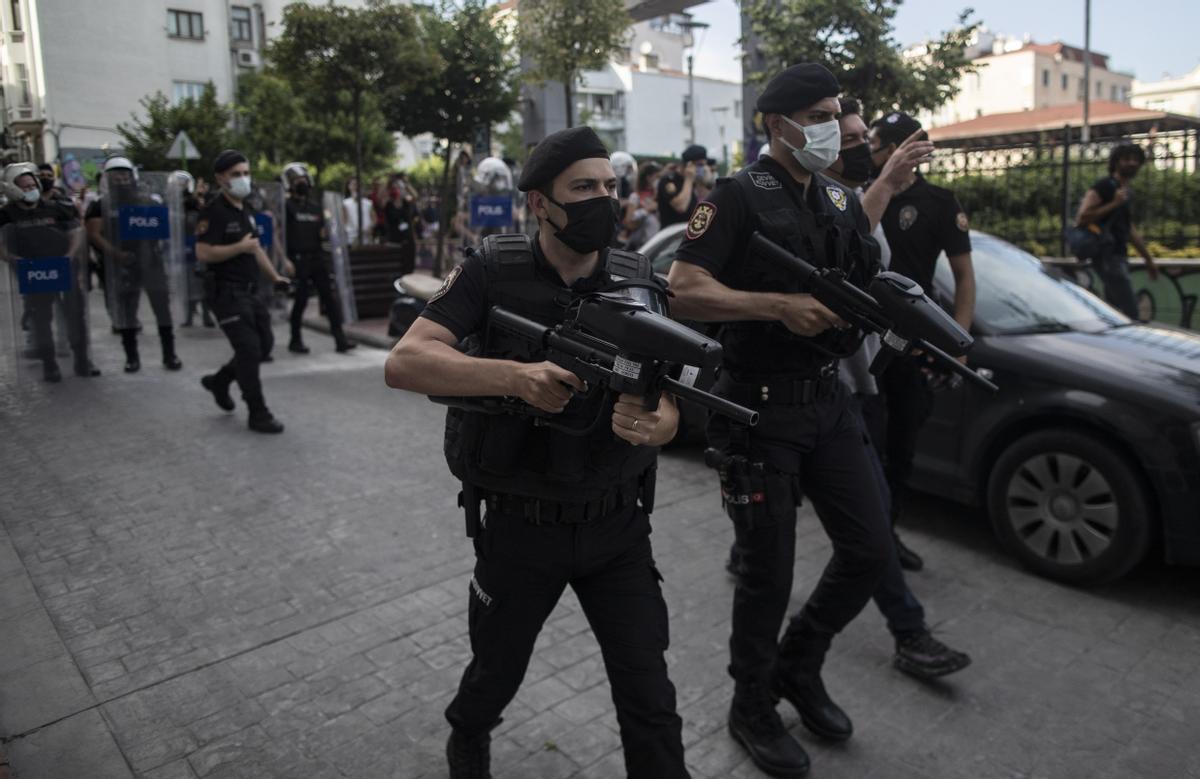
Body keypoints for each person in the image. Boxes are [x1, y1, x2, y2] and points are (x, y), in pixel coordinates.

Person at [384, 126, 689, 779]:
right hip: (522, 526)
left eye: (610, 187)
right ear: (539, 203)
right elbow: (407, 362)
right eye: (584, 188)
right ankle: (467, 734)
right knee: (495, 670)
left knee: (650, 695)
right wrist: (515, 376)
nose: (604, 200)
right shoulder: (491, 269)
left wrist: (659, 423)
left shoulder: (640, 279)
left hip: (618, 526)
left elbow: (677, 399)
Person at [667, 64, 905, 777]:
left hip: (828, 400)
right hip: (757, 409)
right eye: (823, 114)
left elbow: (864, 266)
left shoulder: (835, 194)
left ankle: (798, 663)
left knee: (870, 547)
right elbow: (683, 289)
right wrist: (775, 306)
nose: (835, 126)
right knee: (767, 573)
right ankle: (750, 704)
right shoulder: (734, 197)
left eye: (838, 112)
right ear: (779, 125)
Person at [824, 98, 971, 679]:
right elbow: (843, 244)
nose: (864, 146)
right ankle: (904, 630)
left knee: (871, 515)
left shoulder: (883, 199)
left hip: (861, 382)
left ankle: (903, 633)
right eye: (854, 138)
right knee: (838, 524)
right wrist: (886, 179)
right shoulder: (815, 201)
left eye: (868, 136)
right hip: (811, 389)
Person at [868, 111, 976, 572]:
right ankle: (869, 536)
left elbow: (964, 277)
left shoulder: (939, 202)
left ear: (898, 150)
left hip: (914, 344)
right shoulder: (865, 197)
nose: (867, 152)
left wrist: (958, 340)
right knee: (864, 443)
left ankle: (887, 533)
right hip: (866, 338)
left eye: (874, 143)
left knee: (902, 445)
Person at [196, 149, 292, 434]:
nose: (243, 179)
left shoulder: (246, 210)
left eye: (245, 173)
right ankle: (258, 412)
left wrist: (275, 277)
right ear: (220, 178)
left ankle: (220, 381)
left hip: (250, 292)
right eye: (236, 174)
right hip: (225, 293)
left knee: (263, 345)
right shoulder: (213, 212)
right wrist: (239, 247)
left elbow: (256, 249)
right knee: (249, 350)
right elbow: (202, 252)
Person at [0, 162, 99, 380]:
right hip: (33, 273)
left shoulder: (58, 207)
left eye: (32, 184)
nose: (31, 188)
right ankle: (50, 364)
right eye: (24, 186)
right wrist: (13, 259)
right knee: (41, 318)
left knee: (75, 315)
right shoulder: (6, 215)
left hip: (64, 268)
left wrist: (69, 256)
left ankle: (82, 360)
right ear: (12, 188)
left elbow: (76, 232)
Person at [85, 157, 182, 373]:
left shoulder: (148, 201)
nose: (121, 178)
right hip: (122, 266)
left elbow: (163, 228)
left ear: (132, 175)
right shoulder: (100, 204)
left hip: (152, 263)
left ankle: (170, 354)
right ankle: (131, 358)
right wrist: (116, 254)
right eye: (116, 174)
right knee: (128, 313)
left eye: (124, 173)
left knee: (163, 311)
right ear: (107, 178)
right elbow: (93, 234)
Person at [1072, 143, 1159, 318]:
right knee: (1131, 312)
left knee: (1112, 312)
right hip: (1107, 256)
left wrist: (1148, 259)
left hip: (1119, 255)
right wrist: (1113, 204)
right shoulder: (1104, 187)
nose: (1132, 163)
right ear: (1116, 162)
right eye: (1127, 159)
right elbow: (1082, 218)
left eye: (1136, 160)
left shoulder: (1125, 191)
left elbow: (1129, 229)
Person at [282, 162, 354, 355]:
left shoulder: (315, 207)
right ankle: (295, 339)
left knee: (330, 300)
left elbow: (324, 231)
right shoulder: (286, 207)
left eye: (303, 180)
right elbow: (279, 234)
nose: (301, 183)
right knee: (301, 300)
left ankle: (340, 340)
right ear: (289, 183)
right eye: (297, 181)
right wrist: (284, 260)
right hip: (298, 259)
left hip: (317, 256)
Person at [656, 144, 706, 228]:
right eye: (700, 165)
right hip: (672, 234)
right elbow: (681, 207)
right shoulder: (669, 180)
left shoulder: (693, 181)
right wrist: (689, 179)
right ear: (689, 164)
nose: (702, 168)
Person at [342, 178, 374, 247]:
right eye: (353, 184)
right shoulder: (345, 203)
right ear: (349, 186)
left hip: (367, 238)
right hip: (351, 238)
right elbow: (343, 220)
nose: (356, 186)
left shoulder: (368, 203)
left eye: (358, 184)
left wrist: (371, 227)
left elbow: (374, 218)